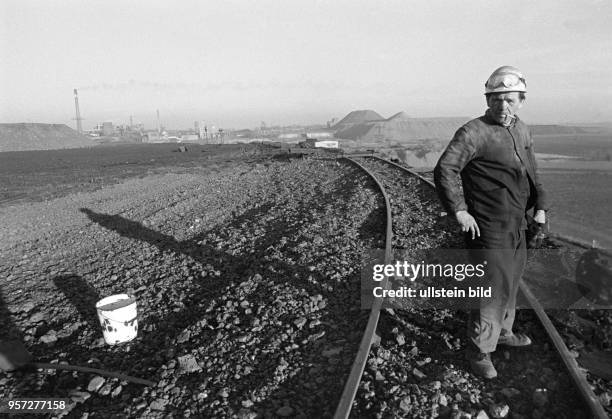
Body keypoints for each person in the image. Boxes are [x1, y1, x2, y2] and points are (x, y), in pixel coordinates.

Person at [433, 66, 548, 379]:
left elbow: (532, 171)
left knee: (511, 282)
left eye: (509, 99)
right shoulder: (474, 132)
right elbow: (445, 169)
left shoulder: (522, 130)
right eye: (495, 99)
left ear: (521, 100)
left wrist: (541, 207)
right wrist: (459, 209)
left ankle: (502, 333)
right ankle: (480, 349)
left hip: (518, 223)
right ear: (488, 100)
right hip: (487, 226)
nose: (502, 105)